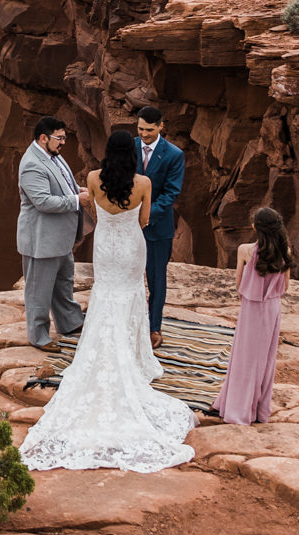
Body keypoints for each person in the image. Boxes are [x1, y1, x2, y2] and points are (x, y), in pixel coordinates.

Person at [19, 131, 195, 472]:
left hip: (105, 247)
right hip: (131, 245)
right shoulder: (143, 182)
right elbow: (144, 221)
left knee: (104, 294)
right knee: (130, 296)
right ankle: (133, 355)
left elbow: (97, 216)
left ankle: (101, 348)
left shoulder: (93, 179)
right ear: (131, 154)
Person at [216, 208, 295, 426]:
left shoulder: (244, 250)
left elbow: (239, 284)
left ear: (255, 228)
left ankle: (236, 407)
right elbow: (285, 286)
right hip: (272, 309)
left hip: (251, 308)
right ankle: (260, 410)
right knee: (264, 359)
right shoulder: (285, 250)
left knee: (244, 357)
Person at [15, 116, 85, 353]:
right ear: (43, 138)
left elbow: (65, 183)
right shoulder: (32, 164)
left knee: (63, 283)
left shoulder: (52, 155)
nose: (64, 142)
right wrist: (78, 200)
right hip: (41, 239)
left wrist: (79, 191)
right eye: (60, 138)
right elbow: (43, 201)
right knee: (39, 290)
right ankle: (39, 336)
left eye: (65, 137)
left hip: (60, 238)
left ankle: (70, 322)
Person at [132, 106, 185, 348]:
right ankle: (130, 323)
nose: (143, 134)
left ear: (161, 126)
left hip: (156, 228)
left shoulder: (174, 154)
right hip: (128, 225)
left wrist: (145, 216)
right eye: (140, 128)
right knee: (127, 276)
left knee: (156, 280)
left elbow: (170, 193)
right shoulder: (130, 147)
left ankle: (154, 328)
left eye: (149, 130)